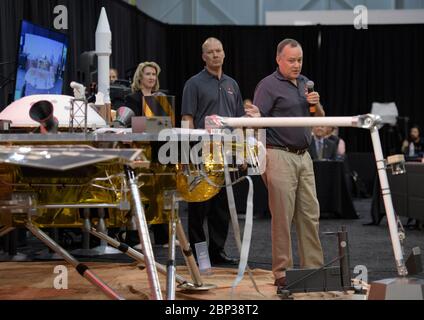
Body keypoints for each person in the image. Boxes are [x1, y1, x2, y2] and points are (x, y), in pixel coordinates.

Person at [253, 38, 325, 288]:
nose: (296, 65)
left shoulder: (306, 83)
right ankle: (282, 271)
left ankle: (313, 268)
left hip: (304, 156)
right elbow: (256, 120)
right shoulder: (268, 85)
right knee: (282, 216)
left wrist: (316, 106)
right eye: (291, 60)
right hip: (278, 154)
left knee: (309, 214)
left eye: (300, 60)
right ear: (279, 59)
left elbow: (322, 124)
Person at [181, 37, 248, 265]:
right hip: (201, 153)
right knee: (199, 207)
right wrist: (185, 154)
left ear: (224, 53)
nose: (215, 55)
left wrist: (242, 153)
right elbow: (187, 119)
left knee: (221, 208)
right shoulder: (194, 83)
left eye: (218, 50)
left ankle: (216, 252)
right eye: (210, 52)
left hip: (227, 154)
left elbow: (239, 121)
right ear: (204, 56)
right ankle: (199, 255)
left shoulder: (232, 84)